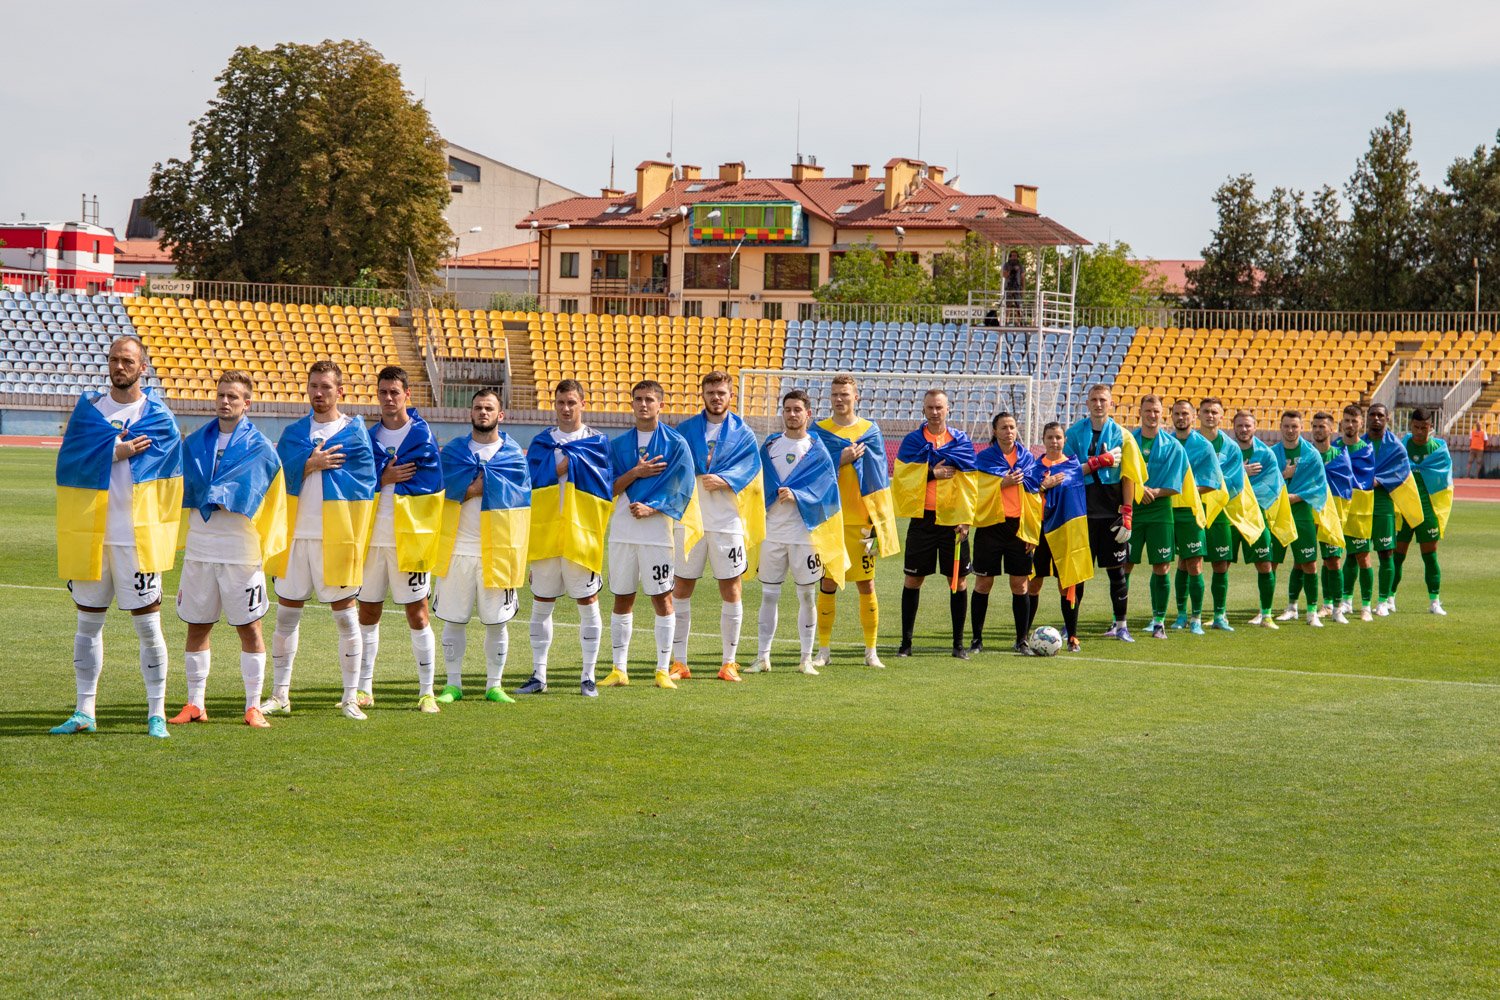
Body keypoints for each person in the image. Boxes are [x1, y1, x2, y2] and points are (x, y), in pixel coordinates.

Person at [52, 335, 183, 737]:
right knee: (87, 624)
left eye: (128, 360)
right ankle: (84, 711)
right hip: (92, 534)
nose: (120, 366)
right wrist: (115, 453)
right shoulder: (90, 411)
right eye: (114, 359)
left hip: (136, 538)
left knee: (148, 626)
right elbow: (69, 460)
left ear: (143, 367)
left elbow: (172, 469)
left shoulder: (158, 415)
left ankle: (156, 713)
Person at [171, 371, 287, 729]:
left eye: (233, 397)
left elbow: (268, 495)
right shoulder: (193, 444)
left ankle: (253, 705)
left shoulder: (260, 447)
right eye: (221, 395)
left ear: (247, 403)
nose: (225, 401)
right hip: (200, 548)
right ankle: (194, 703)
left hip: (240, 550)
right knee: (196, 625)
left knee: (250, 628)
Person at [264, 361, 378, 720]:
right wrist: (309, 464)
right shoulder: (295, 432)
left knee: (346, 619)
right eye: (314, 386)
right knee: (285, 616)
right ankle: (280, 694)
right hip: (296, 536)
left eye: (326, 387)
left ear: (339, 392)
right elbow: (278, 474)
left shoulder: (354, 433)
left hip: (337, 537)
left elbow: (365, 483)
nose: (318, 393)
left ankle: (349, 697)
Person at [432, 388, 532, 701]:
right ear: (470, 413)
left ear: (501, 415)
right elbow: (437, 495)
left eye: (489, 408)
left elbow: (522, 505)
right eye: (478, 407)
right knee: (453, 619)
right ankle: (453, 684)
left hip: (499, 550)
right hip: (457, 549)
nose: (483, 413)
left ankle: (494, 684)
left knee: (496, 622)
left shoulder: (513, 455)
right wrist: (472, 490)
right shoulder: (453, 452)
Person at [357, 367, 444, 712]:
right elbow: (356, 482)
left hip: (410, 538)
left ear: (407, 395)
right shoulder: (367, 437)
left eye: (395, 392)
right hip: (371, 539)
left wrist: (387, 478)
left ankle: (426, 691)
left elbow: (433, 484)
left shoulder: (422, 437)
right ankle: (364, 688)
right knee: (367, 612)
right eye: (383, 392)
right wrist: (384, 475)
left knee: (418, 614)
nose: (389, 398)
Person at [604, 380, 701, 689]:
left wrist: (652, 508)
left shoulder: (676, 444)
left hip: (657, 534)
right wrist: (635, 472)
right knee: (622, 597)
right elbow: (608, 489)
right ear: (631, 404)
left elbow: (683, 489)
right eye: (638, 399)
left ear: (661, 404)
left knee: (662, 598)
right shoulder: (617, 445)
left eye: (649, 399)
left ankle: (662, 668)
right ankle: (619, 669)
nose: (643, 404)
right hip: (622, 532)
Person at [670, 371, 764, 683]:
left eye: (721, 392)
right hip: (691, 520)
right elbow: (674, 469)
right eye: (711, 392)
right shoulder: (685, 430)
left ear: (730, 394)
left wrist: (725, 479)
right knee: (681, 587)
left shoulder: (744, 433)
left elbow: (751, 468)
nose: (716, 397)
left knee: (731, 587)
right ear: (703, 394)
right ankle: (679, 661)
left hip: (727, 521)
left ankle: (729, 662)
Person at [524, 380, 613, 696]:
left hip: (580, 536)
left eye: (571, 402)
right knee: (541, 603)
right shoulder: (541, 442)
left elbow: (605, 486)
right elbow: (530, 482)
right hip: (546, 536)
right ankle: (539, 675)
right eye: (560, 402)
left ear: (582, 403)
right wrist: (561, 466)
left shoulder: (597, 442)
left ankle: (588, 676)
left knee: (588, 602)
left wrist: (566, 465)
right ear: (554, 404)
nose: (565, 408)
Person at [749, 390, 846, 675]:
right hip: (772, 533)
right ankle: (762, 657)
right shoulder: (769, 446)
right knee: (768, 595)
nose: (792, 414)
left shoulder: (817, 450)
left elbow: (828, 494)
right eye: (788, 409)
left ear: (808, 415)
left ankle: (805, 658)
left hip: (805, 535)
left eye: (797, 410)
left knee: (806, 595)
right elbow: (755, 482)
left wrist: (798, 496)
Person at [812, 374, 898, 670]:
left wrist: (878, 521)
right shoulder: (819, 431)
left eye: (845, 394)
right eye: (835, 394)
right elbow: (810, 472)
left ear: (856, 396)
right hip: (830, 522)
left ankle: (871, 651)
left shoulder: (870, 431)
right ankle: (823, 650)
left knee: (867, 584)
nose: (839, 399)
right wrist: (840, 458)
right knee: (827, 582)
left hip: (865, 523)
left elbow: (878, 478)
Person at [892, 389, 978, 659]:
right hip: (923, 519)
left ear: (948, 409)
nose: (934, 412)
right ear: (924, 410)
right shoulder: (912, 441)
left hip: (954, 520)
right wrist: (931, 472)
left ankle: (958, 645)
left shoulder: (960, 441)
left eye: (939, 407)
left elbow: (971, 482)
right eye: (930, 407)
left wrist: (966, 519)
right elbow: (902, 478)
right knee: (913, 578)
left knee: (958, 581)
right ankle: (906, 644)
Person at [1063, 384, 1142, 641]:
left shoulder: (1123, 435)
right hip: (1081, 514)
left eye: (1103, 400)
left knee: (1117, 572)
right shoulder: (1074, 434)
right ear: (1087, 403)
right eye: (1094, 400)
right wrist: (1097, 461)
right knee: (1077, 573)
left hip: (1111, 515)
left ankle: (1121, 626)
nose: (1098, 404)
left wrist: (1127, 512)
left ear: (1111, 404)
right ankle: (1069, 625)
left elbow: (1129, 476)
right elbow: (1065, 473)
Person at [1021, 421, 1093, 652]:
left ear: (1065, 440)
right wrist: (1044, 486)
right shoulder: (1033, 468)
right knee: (1033, 583)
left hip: (1066, 533)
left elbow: (1080, 492)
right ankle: (1022, 636)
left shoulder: (1072, 466)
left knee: (1067, 584)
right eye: (1050, 437)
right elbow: (1027, 497)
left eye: (1058, 437)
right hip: (1040, 533)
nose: (1054, 441)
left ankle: (1072, 636)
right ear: (1043, 440)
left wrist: (1105, 459)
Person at [970, 412, 1037, 655]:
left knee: (1020, 585)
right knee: (983, 583)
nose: (1009, 431)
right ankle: (976, 640)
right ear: (995, 431)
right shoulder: (984, 458)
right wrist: (1001, 484)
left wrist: (1032, 532)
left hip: (1018, 528)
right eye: (1004, 427)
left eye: (1012, 427)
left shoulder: (1028, 458)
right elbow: (975, 492)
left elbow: (1035, 495)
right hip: (990, 527)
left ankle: (1022, 640)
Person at [1124, 395, 1185, 640]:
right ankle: (1121, 621)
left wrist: (1156, 491)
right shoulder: (1128, 442)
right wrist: (1139, 490)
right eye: (1148, 410)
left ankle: (1158, 621)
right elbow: (1120, 476)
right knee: (1124, 565)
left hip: (1160, 512)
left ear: (1163, 414)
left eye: (1156, 411)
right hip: (1133, 510)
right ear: (1140, 412)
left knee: (1161, 566)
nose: (1152, 415)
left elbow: (1177, 484)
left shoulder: (1173, 446)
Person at [1271, 410, 1334, 628]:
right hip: (1278, 515)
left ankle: (1311, 613)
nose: (1290, 430)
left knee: (1308, 563)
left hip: (1302, 515)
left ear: (1300, 428)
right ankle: (1269, 611)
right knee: (1270, 563)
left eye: (1294, 427)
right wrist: (1283, 475)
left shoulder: (1311, 454)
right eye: (1286, 426)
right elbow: (1264, 483)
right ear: (1280, 427)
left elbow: (1319, 488)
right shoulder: (1272, 453)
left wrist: (1292, 497)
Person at [1363, 403, 1425, 616]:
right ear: (1367, 418)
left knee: (1386, 553)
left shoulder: (1396, 446)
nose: (1376, 419)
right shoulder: (1359, 444)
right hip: (1360, 503)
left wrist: (1379, 481)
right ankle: (1346, 600)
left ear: (1387, 418)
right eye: (1372, 415)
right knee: (1355, 553)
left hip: (1383, 503)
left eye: (1380, 415)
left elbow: (1401, 471)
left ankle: (1382, 601)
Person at [1168, 398, 1224, 635]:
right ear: (1171, 416)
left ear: (1193, 417)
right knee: (1171, 563)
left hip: (1191, 511)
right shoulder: (1165, 443)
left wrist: (1184, 492)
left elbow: (1213, 483)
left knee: (1194, 562)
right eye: (1177, 414)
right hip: (1166, 510)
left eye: (1185, 414)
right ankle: (1180, 615)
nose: (1181, 418)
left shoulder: (1203, 446)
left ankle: (1197, 618)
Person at [1232, 411, 1292, 628]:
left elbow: (1272, 486)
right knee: (1220, 565)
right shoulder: (1228, 451)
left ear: (1255, 427)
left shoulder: (1266, 454)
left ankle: (1265, 614)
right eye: (1240, 425)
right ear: (1234, 427)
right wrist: (1242, 471)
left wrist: (1245, 496)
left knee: (1265, 564)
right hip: (1230, 515)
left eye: (1248, 425)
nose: (1244, 429)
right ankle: (1219, 614)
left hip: (1256, 516)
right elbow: (1218, 477)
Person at [1196, 397, 1251, 631]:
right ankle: (1185, 615)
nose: (1210, 415)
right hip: (1194, 509)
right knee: (1187, 562)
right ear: (1198, 414)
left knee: (1220, 564)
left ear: (1221, 416)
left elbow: (1237, 482)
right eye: (1206, 411)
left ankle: (1220, 615)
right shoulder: (1190, 442)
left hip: (1220, 512)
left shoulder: (1231, 448)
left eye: (1214, 412)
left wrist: (1211, 483)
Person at [1392, 408, 1452, 616]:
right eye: (1416, 427)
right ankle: (1389, 599)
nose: (1419, 432)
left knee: (1430, 555)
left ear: (1431, 427)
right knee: (1397, 556)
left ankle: (1434, 601)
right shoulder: (1401, 447)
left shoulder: (1438, 449)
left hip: (1427, 509)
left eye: (1424, 428)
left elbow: (1444, 480)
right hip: (1403, 508)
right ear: (1411, 426)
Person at [1310, 411, 1354, 624]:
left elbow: (1345, 486)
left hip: (1330, 513)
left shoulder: (1340, 456)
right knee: (1305, 561)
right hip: (1308, 512)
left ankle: (1335, 606)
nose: (1319, 430)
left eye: (1323, 427)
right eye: (1315, 427)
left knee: (1333, 561)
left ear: (1332, 430)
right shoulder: (1307, 453)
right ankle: (1303, 606)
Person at [1335, 404, 1378, 621]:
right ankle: (1341, 601)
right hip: (1338, 510)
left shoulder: (1366, 450)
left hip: (1360, 510)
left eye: (1354, 421)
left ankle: (1367, 606)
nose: (1350, 425)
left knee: (1363, 557)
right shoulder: (1333, 447)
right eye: (1346, 421)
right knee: (1333, 557)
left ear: (1361, 423)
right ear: (1341, 422)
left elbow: (1362, 480)